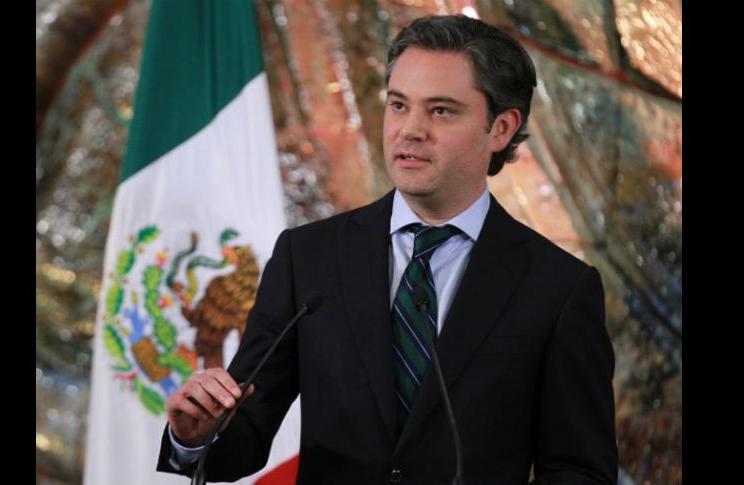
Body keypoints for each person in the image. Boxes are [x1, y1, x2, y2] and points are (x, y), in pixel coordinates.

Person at [157, 14, 618, 484]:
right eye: (398, 105)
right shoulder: (308, 257)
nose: (410, 130)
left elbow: (579, 470)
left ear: (501, 128)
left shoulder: (559, 288)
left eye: (441, 111)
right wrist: (195, 436)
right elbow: (244, 431)